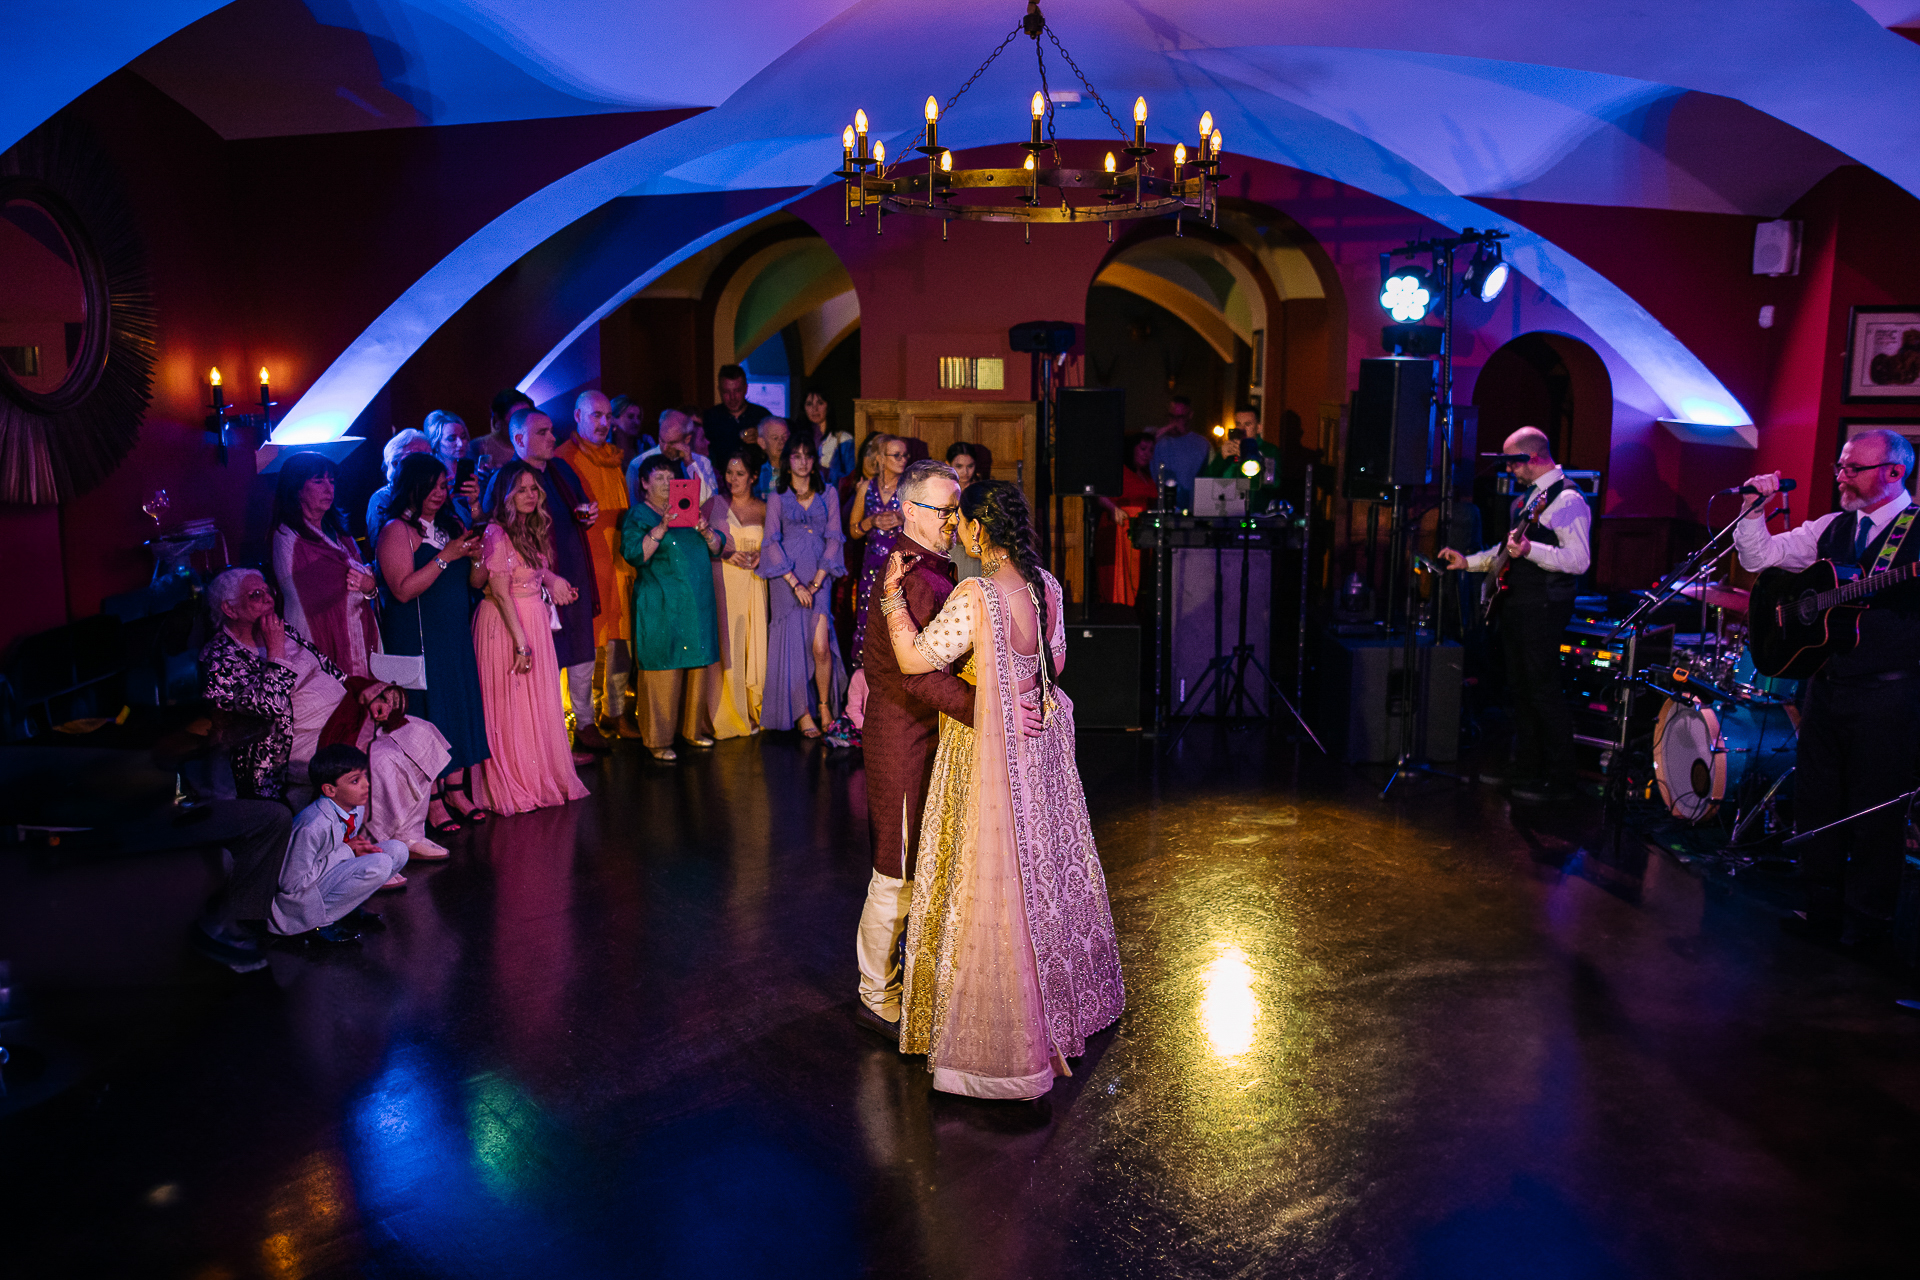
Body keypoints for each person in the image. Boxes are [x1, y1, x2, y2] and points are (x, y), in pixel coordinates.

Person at [880, 479, 1125, 1098]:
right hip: (1036, 753)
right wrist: (1013, 688)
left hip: (983, 753)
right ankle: (1057, 1002)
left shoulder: (975, 595)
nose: (958, 530)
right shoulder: (1047, 589)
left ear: (982, 530)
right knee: (1035, 872)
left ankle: (994, 1028)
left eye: (963, 521)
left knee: (986, 881)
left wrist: (891, 604)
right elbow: (1056, 661)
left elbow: (915, 660)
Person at [849, 459, 1048, 1039]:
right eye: (942, 510)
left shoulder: (930, 567)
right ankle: (873, 990)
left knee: (922, 864)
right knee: (897, 866)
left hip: (931, 731)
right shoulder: (913, 574)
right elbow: (914, 676)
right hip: (905, 736)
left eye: (956, 510)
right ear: (909, 510)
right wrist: (994, 708)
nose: (952, 521)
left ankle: (907, 979)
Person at [1732, 428, 1920, 953]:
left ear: (1893, 473)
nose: (1840, 477)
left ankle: (1867, 923)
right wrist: (1752, 511)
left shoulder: (1917, 530)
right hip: (1827, 686)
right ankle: (1820, 908)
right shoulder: (1833, 526)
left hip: (1889, 694)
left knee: (1874, 811)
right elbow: (1759, 559)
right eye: (1840, 466)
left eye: (1851, 469)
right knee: (1818, 802)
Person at [1437, 426, 1591, 802]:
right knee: (1520, 690)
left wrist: (1531, 552)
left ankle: (1560, 781)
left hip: (1544, 604)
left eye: (1513, 462)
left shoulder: (1568, 500)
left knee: (1542, 690)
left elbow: (1579, 560)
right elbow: (1510, 548)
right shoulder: (1534, 497)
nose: (1508, 470)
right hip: (1522, 603)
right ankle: (1526, 769)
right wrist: (1469, 562)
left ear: (1534, 458)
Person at [374, 453, 492, 830]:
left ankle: (457, 789)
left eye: (445, 486)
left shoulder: (451, 523)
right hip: (419, 638)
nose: (443, 493)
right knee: (430, 712)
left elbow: (475, 583)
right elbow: (403, 590)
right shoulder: (396, 529)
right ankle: (434, 800)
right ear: (415, 485)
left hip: (454, 633)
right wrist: (446, 556)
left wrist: (474, 557)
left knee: (456, 707)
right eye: (436, 486)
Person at [483, 406, 605, 757]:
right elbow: (498, 531)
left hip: (571, 565)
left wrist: (589, 515)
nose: (553, 438)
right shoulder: (506, 477)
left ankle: (585, 722)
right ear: (519, 439)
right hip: (530, 582)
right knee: (547, 654)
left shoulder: (562, 468)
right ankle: (549, 737)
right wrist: (545, 578)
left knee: (582, 644)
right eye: (543, 433)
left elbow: (578, 508)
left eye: (552, 431)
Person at [473, 462, 593, 813]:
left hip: (532, 619)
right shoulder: (495, 533)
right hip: (508, 624)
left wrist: (552, 579)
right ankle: (517, 780)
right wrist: (521, 643)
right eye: (521, 489)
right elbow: (499, 591)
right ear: (505, 494)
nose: (530, 496)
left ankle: (540, 775)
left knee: (534, 703)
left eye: (534, 489)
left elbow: (528, 569)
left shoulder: (528, 527)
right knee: (512, 703)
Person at [201, 567, 351, 803]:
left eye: (267, 590)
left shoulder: (283, 630)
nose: (269, 598)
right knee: (370, 759)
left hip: (340, 717)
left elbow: (329, 669)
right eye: (255, 595)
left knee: (415, 731)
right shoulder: (219, 658)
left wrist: (361, 692)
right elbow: (269, 707)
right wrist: (275, 652)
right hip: (289, 746)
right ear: (230, 609)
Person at [623, 455, 727, 762]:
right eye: (658, 478)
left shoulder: (688, 509)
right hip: (660, 604)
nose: (666, 484)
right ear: (643, 483)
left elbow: (718, 547)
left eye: (671, 478)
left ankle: (693, 730)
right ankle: (658, 740)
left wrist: (707, 530)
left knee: (696, 664)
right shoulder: (639, 514)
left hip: (696, 603)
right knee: (662, 668)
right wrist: (662, 526)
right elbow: (634, 553)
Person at [557, 390, 638, 739]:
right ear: (577, 416)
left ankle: (616, 711)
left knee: (621, 638)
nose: (604, 423)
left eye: (608, 416)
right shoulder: (565, 458)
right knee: (591, 640)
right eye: (596, 416)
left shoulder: (614, 458)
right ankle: (583, 716)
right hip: (587, 563)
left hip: (620, 560)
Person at [268, 744, 409, 943]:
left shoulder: (355, 808)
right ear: (330, 790)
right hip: (301, 897)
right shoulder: (312, 826)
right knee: (380, 864)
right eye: (355, 781)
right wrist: (347, 852)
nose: (366, 785)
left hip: (325, 874)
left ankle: (345, 911)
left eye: (365, 777)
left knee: (398, 850)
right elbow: (291, 884)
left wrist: (350, 851)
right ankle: (318, 924)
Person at [758, 437, 847, 736]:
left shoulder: (829, 492)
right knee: (794, 647)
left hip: (819, 577)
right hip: (788, 581)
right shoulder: (777, 496)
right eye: (796, 455)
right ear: (787, 461)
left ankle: (824, 705)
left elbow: (835, 537)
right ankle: (802, 713)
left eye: (808, 455)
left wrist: (817, 581)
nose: (803, 461)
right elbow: (770, 542)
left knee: (820, 646)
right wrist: (795, 583)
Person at [270, 452, 381, 678]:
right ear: (296, 488)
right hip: (316, 636)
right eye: (318, 481)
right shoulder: (287, 536)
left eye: (332, 481)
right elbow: (338, 582)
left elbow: (366, 580)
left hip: (358, 632)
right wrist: (366, 580)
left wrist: (369, 585)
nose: (329, 488)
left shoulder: (339, 532)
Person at [713, 454, 768, 738]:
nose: (732, 479)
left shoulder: (764, 508)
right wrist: (726, 553)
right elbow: (704, 542)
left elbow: (774, 544)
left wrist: (762, 554)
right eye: (729, 472)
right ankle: (729, 712)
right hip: (726, 579)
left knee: (753, 643)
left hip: (755, 581)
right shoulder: (715, 505)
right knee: (731, 644)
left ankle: (752, 706)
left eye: (740, 473)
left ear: (753, 477)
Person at [849, 434, 909, 663]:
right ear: (881, 459)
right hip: (872, 566)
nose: (902, 460)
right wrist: (872, 521)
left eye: (905, 455)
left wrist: (902, 519)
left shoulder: (908, 488)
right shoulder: (866, 488)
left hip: (900, 566)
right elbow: (854, 530)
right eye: (896, 455)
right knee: (869, 618)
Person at [1097, 432, 1159, 606]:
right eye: (1143, 449)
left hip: (1142, 534)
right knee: (1120, 580)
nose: (1147, 454)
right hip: (1121, 530)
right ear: (1132, 449)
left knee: (1141, 579)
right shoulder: (1119, 471)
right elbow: (1100, 494)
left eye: (1151, 450)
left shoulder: (1147, 476)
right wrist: (1113, 508)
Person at [628, 409, 719, 507]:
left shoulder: (702, 463)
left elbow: (709, 502)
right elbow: (633, 505)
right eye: (662, 440)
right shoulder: (638, 464)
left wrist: (690, 464)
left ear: (687, 439)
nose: (665, 448)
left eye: (672, 443)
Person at [366, 429, 432, 539]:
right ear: (395, 463)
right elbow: (380, 544)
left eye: (428, 455)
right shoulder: (383, 498)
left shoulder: (434, 493)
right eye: (417, 454)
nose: (425, 461)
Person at [702, 363, 770, 466]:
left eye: (737, 391)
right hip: (719, 480)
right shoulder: (710, 418)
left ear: (746, 388)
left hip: (757, 479)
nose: (732, 397)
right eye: (726, 392)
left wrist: (762, 437)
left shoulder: (762, 416)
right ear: (719, 390)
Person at [1150, 395, 1209, 512]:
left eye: (1180, 417)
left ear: (1190, 415)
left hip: (1191, 510)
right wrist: (1155, 439)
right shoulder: (1158, 440)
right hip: (1160, 509)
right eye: (1171, 416)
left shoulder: (1202, 444)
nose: (1174, 422)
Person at [424, 409, 484, 525]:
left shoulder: (472, 470)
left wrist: (474, 504)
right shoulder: (429, 476)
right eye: (451, 439)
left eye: (463, 437)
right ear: (435, 442)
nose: (461, 443)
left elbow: (480, 521)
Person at [944, 444, 987, 580]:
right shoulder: (942, 491)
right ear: (948, 464)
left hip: (975, 549)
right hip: (949, 546)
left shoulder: (981, 491)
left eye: (970, 466)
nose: (965, 472)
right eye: (959, 466)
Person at [475, 388, 533, 470]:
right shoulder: (481, 446)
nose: (524, 423)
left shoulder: (537, 443)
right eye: (516, 419)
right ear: (498, 418)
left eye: (526, 416)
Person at [808, 390, 855, 486]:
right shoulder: (800, 440)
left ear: (828, 406)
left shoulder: (843, 439)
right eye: (809, 404)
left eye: (820, 403)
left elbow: (851, 476)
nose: (814, 409)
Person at [753, 417, 791, 498]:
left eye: (785, 437)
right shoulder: (757, 475)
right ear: (762, 443)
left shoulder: (800, 471)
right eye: (775, 438)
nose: (782, 442)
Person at [609, 394, 655, 459]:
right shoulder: (603, 447)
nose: (637, 422)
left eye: (638, 417)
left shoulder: (646, 443)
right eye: (630, 417)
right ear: (613, 419)